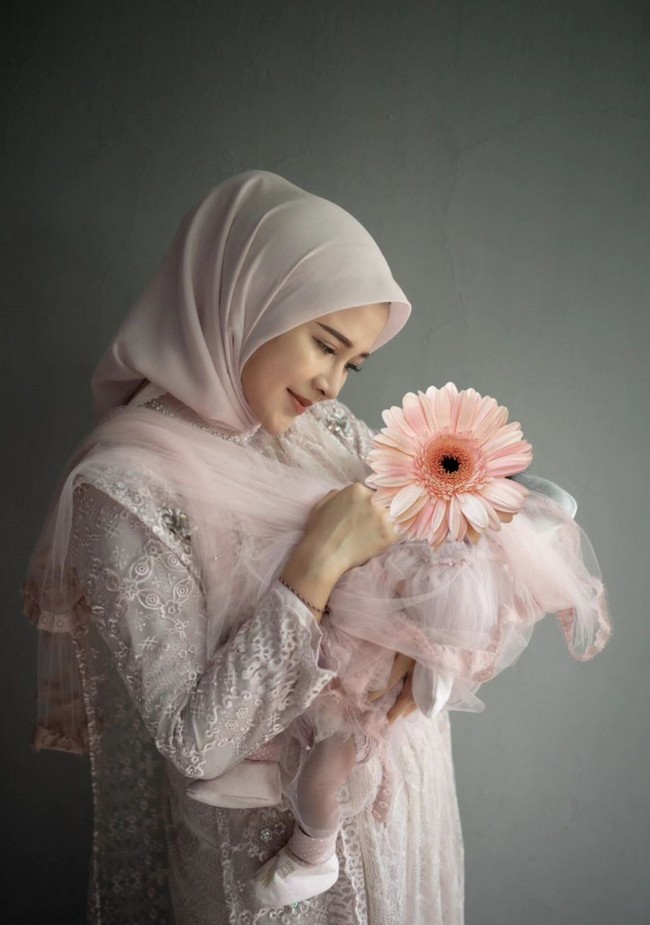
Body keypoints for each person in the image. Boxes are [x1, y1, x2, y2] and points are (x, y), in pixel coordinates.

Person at [24, 170, 609, 924]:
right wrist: (314, 569)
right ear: (247, 300)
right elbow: (196, 742)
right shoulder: (127, 486)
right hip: (271, 876)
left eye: (352, 363)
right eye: (325, 346)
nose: (333, 384)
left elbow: (417, 574)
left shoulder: (320, 429)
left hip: (398, 828)